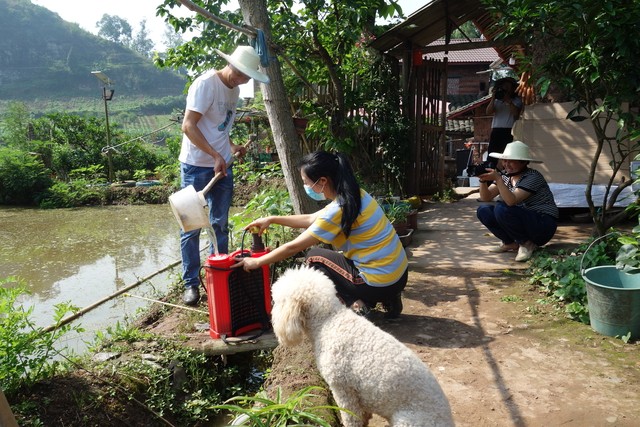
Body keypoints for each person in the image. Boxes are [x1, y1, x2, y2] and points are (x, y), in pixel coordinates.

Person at [232, 151, 409, 318]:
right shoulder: (357, 195)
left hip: (378, 283)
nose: (306, 187)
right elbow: (311, 218)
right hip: (400, 276)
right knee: (343, 261)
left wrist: (256, 261)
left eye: (307, 182)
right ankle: (390, 299)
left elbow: (293, 247)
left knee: (314, 258)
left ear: (322, 181)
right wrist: (272, 219)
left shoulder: (338, 209)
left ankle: (357, 305)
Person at [179, 45, 270, 306]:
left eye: (248, 77)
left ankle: (216, 274)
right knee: (192, 227)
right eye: (241, 74)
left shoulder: (236, 90)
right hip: (195, 166)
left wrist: (229, 149)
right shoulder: (205, 84)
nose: (243, 81)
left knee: (220, 223)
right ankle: (191, 284)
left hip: (222, 167)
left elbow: (220, 128)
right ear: (232, 65)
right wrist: (214, 155)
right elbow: (188, 126)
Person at [476, 141, 558, 262]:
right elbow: (486, 197)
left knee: (501, 208)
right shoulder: (506, 176)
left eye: (511, 161)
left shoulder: (532, 177)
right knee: (483, 210)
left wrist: (498, 179)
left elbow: (511, 201)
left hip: (543, 225)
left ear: (524, 162)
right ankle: (510, 243)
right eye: (504, 160)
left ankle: (526, 244)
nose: (506, 164)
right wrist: (482, 180)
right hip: (526, 220)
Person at [485, 77, 524, 169]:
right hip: (496, 130)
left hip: (509, 131)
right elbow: (488, 111)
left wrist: (508, 101)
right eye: (503, 86)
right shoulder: (497, 100)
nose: (505, 88)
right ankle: (489, 177)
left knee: (507, 155)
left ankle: (506, 176)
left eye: (508, 86)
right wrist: (493, 98)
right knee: (492, 155)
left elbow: (515, 113)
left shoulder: (516, 100)